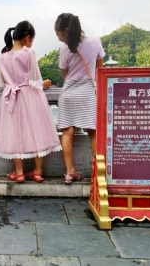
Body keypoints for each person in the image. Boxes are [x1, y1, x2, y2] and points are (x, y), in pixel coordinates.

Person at [0, 20, 62, 183]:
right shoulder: (28, 53)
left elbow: (1, 83)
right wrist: (43, 83)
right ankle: (37, 171)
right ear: (27, 38)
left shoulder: (2, 57)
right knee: (37, 130)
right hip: (29, 96)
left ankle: (19, 172)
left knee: (15, 132)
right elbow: (35, 79)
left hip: (10, 97)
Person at [54, 13, 105, 184]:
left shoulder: (65, 49)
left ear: (65, 31)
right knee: (93, 131)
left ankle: (70, 172)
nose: (59, 38)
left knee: (67, 132)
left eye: (59, 34)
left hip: (68, 93)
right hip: (88, 92)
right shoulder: (95, 42)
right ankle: (98, 174)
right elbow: (100, 69)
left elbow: (64, 74)